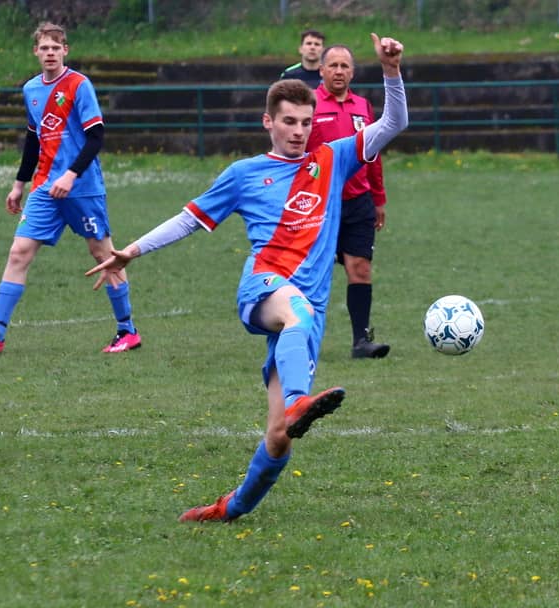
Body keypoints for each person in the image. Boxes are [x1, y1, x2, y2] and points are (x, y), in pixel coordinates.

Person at [88, 33, 409, 522]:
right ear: (268, 122)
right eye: (289, 122)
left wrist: (391, 70)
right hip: (264, 288)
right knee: (296, 316)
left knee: (279, 436)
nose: (299, 132)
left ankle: (230, 507)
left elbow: (394, 123)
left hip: (306, 314)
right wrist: (131, 251)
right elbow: (189, 219)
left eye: (305, 123)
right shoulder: (244, 174)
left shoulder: (333, 158)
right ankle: (299, 401)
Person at [0, 22, 141, 354]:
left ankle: (127, 330)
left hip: (82, 187)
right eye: (44, 48)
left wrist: (70, 175)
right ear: (36, 52)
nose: (50, 53)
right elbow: (33, 140)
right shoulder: (31, 89)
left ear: (65, 50)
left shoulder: (79, 85)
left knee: (103, 255)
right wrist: (19, 184)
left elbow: (96, 137)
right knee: (19, 251)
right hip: (44, 187)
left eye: (56, 48)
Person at [308, 44, 390, 358]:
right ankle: (300, 336)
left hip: (358, 202)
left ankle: (361, 341)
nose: (339, 71)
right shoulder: (309, 104)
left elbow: (373, 152)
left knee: (360, 268)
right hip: (319, 203)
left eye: (344, 66)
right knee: (312, 273)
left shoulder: (363, 106)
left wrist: (378, 197)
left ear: (352, 72)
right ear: (322, 70)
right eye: (333, 65)